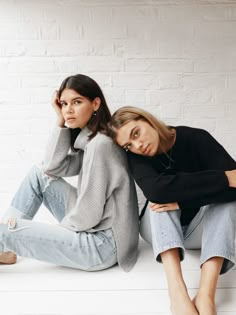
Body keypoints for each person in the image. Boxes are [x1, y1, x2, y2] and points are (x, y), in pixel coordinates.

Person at [0, 75, 139, 273]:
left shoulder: (100, 146)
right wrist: (60, 121)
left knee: (4, 230)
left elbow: (88, 214)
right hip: (97, 225)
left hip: (101, 245)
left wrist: (51, 236)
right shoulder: (92, 140)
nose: (68, 110)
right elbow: (50, 167)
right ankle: (4, 249)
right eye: (64, 104)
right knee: (38, 175)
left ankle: (5, 243)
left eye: (77, 102)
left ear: (96, 103)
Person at [108, 106, 236, 315]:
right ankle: (177, 293)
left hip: (199, 231)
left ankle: (206, 293)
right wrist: (222, 179)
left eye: (136, 133)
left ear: (147, 119)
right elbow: (156, 190)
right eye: (129, 145)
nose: (138, 145)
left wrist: (181, 201)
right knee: (158, 203)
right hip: (159, 232)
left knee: (228, 203)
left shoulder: (196, 138)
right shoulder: (136, 157)